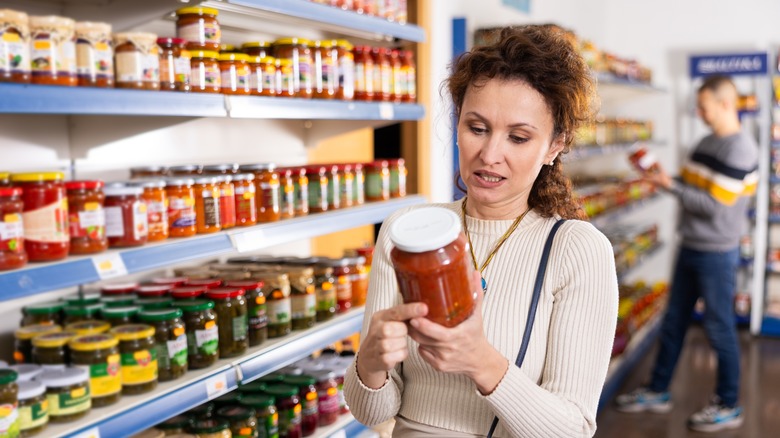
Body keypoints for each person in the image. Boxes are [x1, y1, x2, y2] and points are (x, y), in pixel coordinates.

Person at [343, 25, 618, 437]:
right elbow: (372, 412)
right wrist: (369, 365)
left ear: (554, 146)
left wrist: (481, 362)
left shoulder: (576, 250)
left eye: (519, 137)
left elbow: (572, 430)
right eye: (477, 128)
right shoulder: (408, 232)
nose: (490, 155)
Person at [615, 75, 758, 433]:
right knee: (674, 320)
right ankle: (658, 390)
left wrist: (668, 187)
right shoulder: (706, 141)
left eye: (704, 107)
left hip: (715, 252)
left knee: (719, 328)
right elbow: (693, 185)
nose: (699, 112)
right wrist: (667, 179)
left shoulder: (741, 150)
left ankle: (729, 404)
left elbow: (712, 206)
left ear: (726, 104)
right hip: (691, 244)